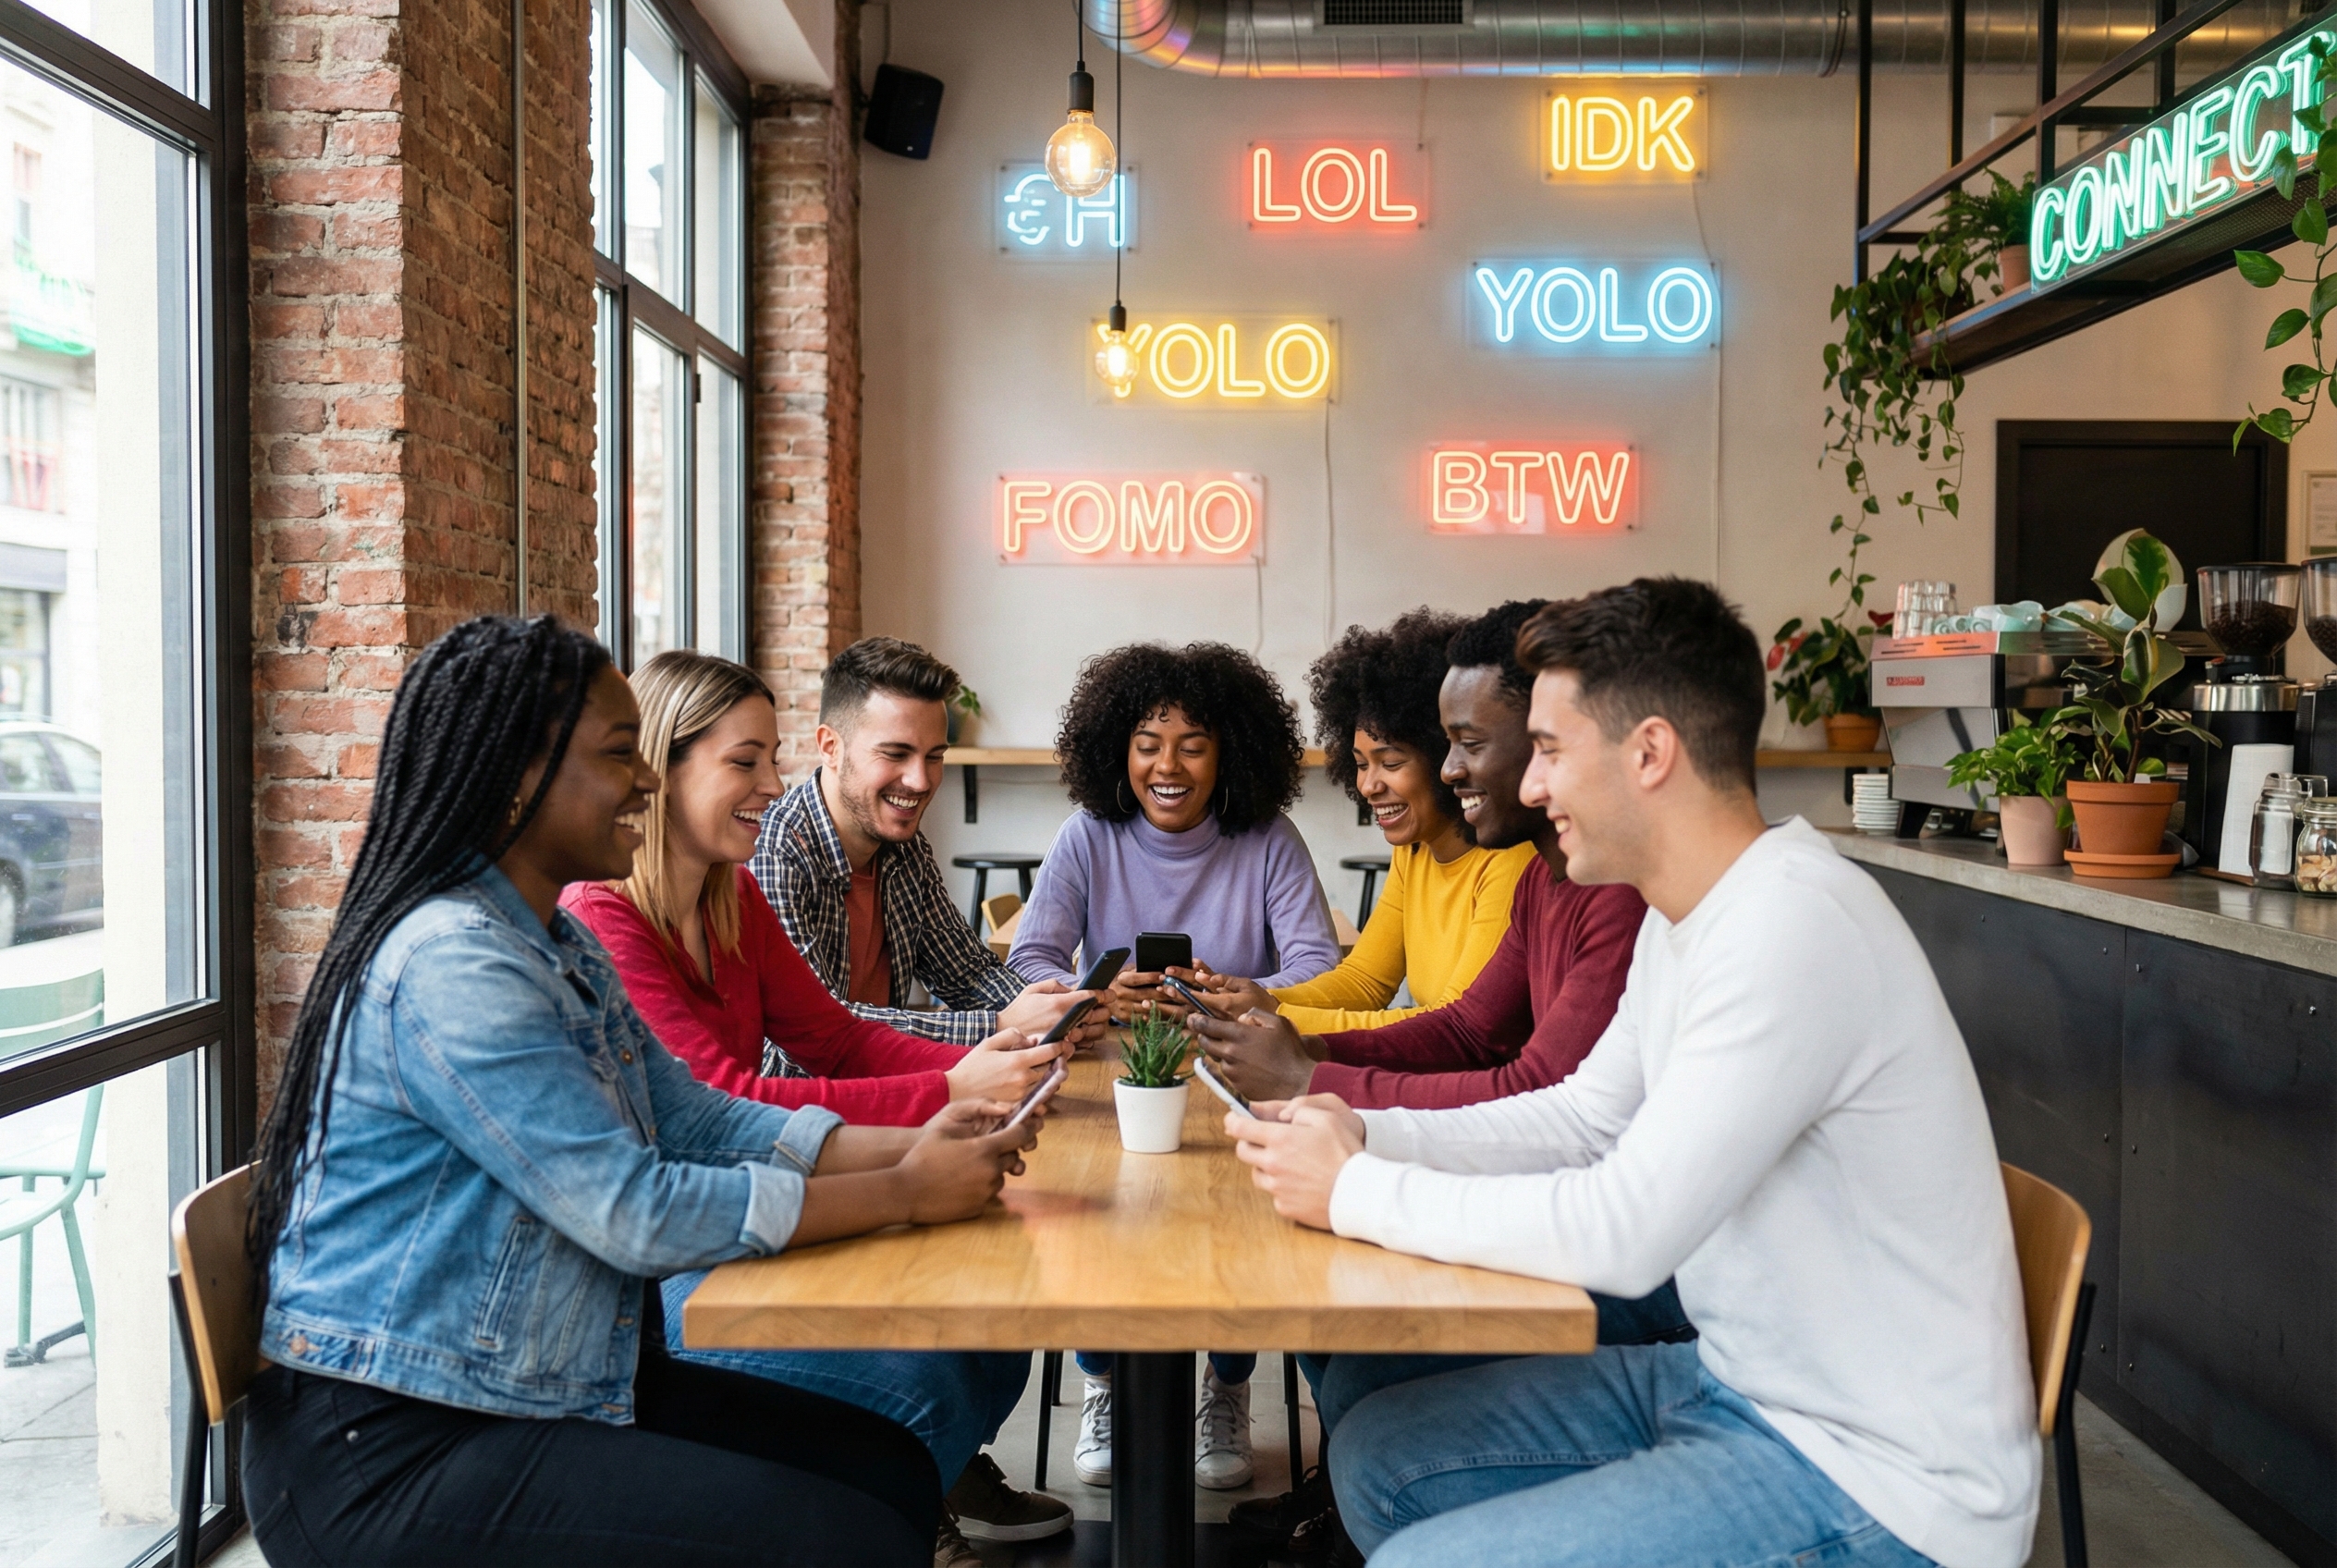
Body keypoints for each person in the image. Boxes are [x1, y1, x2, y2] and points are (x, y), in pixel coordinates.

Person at [1225, 581, 2041, 1568]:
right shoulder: (1681, 915)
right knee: (1380, 1462)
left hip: (1877, 1477)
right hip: (1729, 1382)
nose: (1532, 787)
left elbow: (1623, 1229)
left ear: (1648, 753)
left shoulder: (1789, 926)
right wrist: (1357, 1129)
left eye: (1553, 750)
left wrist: (1354, 1185)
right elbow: (1578, 1118)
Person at [240, 616, 1045, 1568]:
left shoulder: (552, 941)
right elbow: (634, 1210)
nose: (648, 780)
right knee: (845, 1534)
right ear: (516, 776)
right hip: (397, 1439)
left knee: (892, 1470)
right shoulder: (457, 963)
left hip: (539, 1377)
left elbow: (697, 1115)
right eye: (621, 753)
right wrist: (904, 1189)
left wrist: (918, 1146)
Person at [560, 649, 1076, 1562]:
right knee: (935, 1379)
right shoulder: (602, 916)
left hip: (754, 1207)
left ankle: (895, 1503)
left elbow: (836, 1037)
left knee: (996, 1337)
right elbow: (720, 1100)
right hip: (668, 1269)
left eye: (770, 758)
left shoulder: (730, 897)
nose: (771, 783)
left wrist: (978, 1068)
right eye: (743, 762)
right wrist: (951, 1089)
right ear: (661, 765)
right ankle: (884, 1510)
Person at [1189, 600, 1665, 1562]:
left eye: (1471, 744)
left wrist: (1331, 1098)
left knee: (1359, 1363)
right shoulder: (1550, 875)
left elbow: (1550, 1097)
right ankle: (1360, 1515)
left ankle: (1395, 1515)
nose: (1448, 771)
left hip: (1648, 1274)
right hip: (1584, 1202)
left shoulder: (1619, 891)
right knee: (1346, 1345)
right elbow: (1464, 1025)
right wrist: (1302, 1052)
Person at [1009, 640, 1341, 1492]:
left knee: (1234, 1225)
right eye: (1149, 742)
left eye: (1193, 744)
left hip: (1233, 1070)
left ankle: (1227, 1388)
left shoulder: (1268, 839)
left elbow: (1315, 966)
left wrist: (1238, 991)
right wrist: (1095, 990)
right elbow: (1026, 959)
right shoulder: (1088, 835)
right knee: (1095, 1212)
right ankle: (1104, 1382)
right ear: (1117, 748)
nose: (1168, 765)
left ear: (1228, 751)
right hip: (1113, 1072)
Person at [752, 635, 1098, 1048]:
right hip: (799, 1103)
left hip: (890, 1087)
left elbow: (967, 973)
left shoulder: (904, 849)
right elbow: (816, 1029)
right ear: (830, 747)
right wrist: (1001, 1024)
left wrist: (1056, 1010)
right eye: (896, 754)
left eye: (934, 756)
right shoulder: (775, 851)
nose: (921, 781)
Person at [1205, 608, 1536, 1035]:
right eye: (1360, 764)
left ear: (1447, 758)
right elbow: (1364, 980)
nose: (1368, 786)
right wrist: (1254, 999)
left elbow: (1455, 1027)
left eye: (1391, 762)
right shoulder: (1414, 851)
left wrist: (1278, 1015)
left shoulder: (1509, 862)